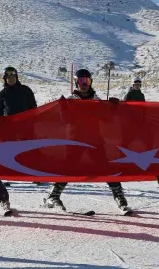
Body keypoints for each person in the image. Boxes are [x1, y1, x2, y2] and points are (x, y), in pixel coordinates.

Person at [44, 69, 131, 213]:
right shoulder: (71, 100)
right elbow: (64, 121)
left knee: (106, 167)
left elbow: (106, 119)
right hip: (75, 140)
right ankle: (53, 196)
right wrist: (63, 108)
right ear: (76, 83)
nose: (84, 84)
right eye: (81, 81)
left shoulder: (96, 100)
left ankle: (119, 197)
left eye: (87, 81)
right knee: (68, 168)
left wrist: (113, 107)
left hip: (95, 139)